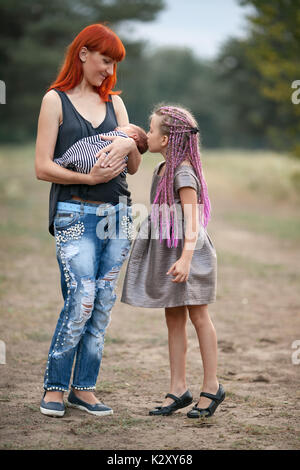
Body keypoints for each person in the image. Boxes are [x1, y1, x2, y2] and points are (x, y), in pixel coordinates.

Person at [35, 23, 142, 418]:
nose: (109, 70)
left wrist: (131, 142)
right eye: (105, 60)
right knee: (80, 298)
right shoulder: (54, 100)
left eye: (114, 64)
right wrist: (87, 177)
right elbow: (42, 167)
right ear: (83, 54)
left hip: (116, 216)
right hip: (74, 212)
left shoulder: (115, 104)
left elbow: (132, 165)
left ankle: (85, 388)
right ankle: (55, 387)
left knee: (102, 304)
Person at [121, 104, 225, 418]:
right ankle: (178, 388)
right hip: (171, 252)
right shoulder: (162, 169)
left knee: (199, 317)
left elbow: (193, 221)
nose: (147, 134)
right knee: (173, 320)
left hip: (187, 254)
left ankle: (212, 386)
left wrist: (186, 259)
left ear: (166, 139)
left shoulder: (182, 171)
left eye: (152, 130)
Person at [54, 124, 148, 177]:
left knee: (82, 146)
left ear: (134, 136)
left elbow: (93, 141)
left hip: (91, 159)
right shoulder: (126, 157)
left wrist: (130, 143)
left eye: (124, 126)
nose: (119, 126)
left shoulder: (122, 136)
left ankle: (63, 162)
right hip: (99, 170)